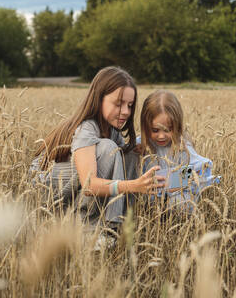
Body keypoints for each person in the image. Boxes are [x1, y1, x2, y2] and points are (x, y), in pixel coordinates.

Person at [29, 66, 166, 231]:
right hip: (48, 194)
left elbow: (120, 163)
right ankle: (88, 227)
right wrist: (133, 185)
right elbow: (89, 186)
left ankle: (119, 222)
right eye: (118, 103)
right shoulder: (86, 128)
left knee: (129, 155)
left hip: (73, 185)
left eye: (129, 105)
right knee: (109, 148)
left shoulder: (112, 129)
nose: (125, 112)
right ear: (99, 98)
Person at [138, 90, 219, 212]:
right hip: (149, 198)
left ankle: (178, 222)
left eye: (168, 130)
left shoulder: (182, 146)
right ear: (145, 126)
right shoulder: (140, 145)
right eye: (155, 130)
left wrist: (175, 182)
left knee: (181, 202)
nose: (161, 136)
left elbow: (202, 169)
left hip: (177, 195)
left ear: (177, 126)